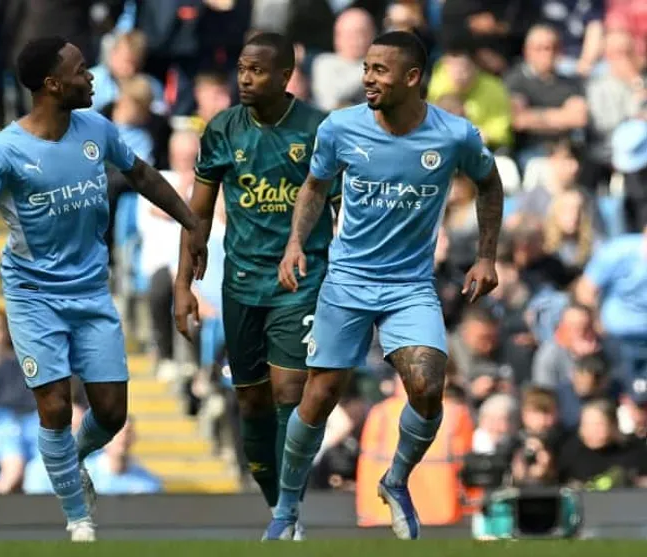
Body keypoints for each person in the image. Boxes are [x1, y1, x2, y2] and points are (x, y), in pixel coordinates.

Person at [0, 36, 197, 542]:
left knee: (112, 412)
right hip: (33, 294)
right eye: (81, 70)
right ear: (52, 85)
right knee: (56, 407)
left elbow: (143, 175)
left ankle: (72, 460)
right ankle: (77, 518)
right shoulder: (3, 151)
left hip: (91, 291)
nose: (91, 77)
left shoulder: (97, 129)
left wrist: (192, 222)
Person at [267, 31, 505, 540]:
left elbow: (489, 182)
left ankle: (395, 480)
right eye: (367, 68)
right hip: (347, 281)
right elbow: (315, 186)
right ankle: (286, 509)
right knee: (320, 395)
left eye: (380, 70)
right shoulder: (340, 127)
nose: (368, 78)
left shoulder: (453, 135)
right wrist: (295, 243)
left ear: (412, 77)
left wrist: (486, 256)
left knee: (429, 386)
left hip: (409, 286)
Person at [174, 32, 340, 541]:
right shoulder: (223, 129)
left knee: (290, 389)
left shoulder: (318, 128)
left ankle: (289, 510)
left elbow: (342, 207)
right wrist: (182, 284)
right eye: (242, 69)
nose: (245, 78)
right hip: (241, 282)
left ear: (285, 76)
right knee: (251, 401)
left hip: (301, 280)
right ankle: (279, 508)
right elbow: (197, 212)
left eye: (258, 70)